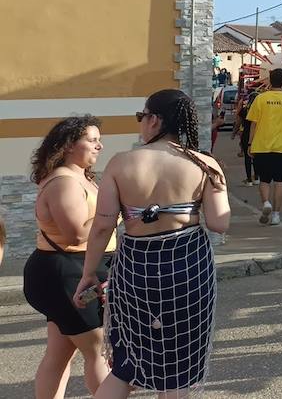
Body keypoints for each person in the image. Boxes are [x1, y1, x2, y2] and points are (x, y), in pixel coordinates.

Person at [74, 89, 231, 398]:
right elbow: (219, 223)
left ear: (155, 120)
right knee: (179, 366)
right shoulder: (205, 165)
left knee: (127, 364)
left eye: (141, 117)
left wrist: (89, 273)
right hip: (188, 268)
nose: (140, 124)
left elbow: (103, 225)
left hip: (136, 269)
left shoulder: (121, 164)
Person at [25, 115, 113, 398]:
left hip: (75, 270)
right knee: (97, 351)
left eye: (99, 140)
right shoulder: (64, 182)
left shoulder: (79, 176)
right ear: (68, 145)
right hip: (67, 273)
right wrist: (115, 213)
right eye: (92, 140)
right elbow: (76, 234)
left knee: (60, 352)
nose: (99, 146)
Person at [246, 68, 282, 226]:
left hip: (261, 145)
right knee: (280, 180)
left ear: (269, 80)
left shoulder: (260, 99)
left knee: (264, 180)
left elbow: (253, 124)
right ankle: (277, 215)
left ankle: (266, 203)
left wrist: (250, 144)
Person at [235, 86, 257, 185]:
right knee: (257, 157)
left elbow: (238, 122)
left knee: (247, 158)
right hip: (258, 135)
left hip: (246, 134)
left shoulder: (244, 110)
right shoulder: (260, 111)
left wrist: (234, 132)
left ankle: (249, 179)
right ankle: (257, 177)